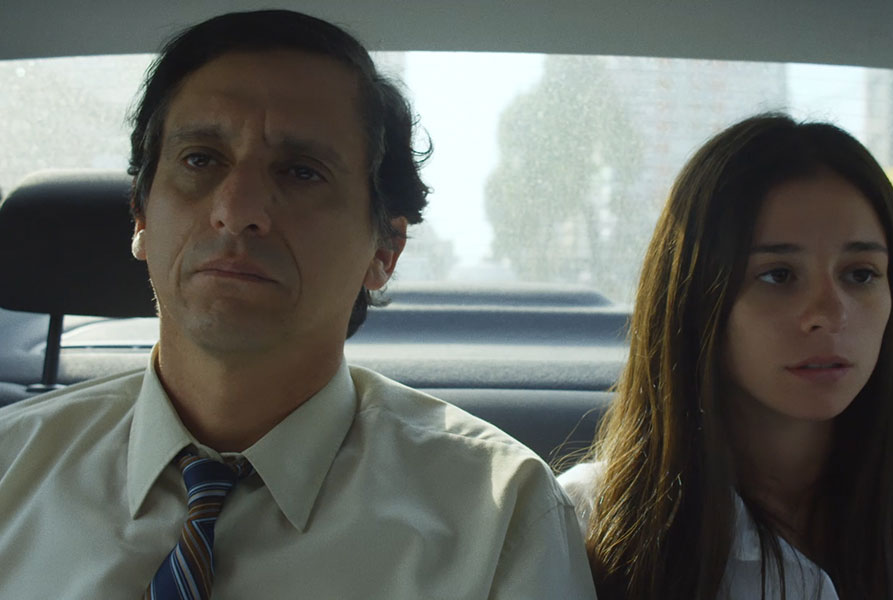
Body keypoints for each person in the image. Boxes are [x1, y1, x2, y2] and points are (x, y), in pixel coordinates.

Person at [0, 10, 595, 599]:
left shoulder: (498, 518)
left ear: (384, 250)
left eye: (301, 172)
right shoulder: (10, 468)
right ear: (140, 216)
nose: (237, 210)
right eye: (200, 159)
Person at [559, 113, 893, 599]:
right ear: (694, 298)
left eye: (861, 274)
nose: (830, 314)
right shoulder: (580, 523)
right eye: (778, 275)